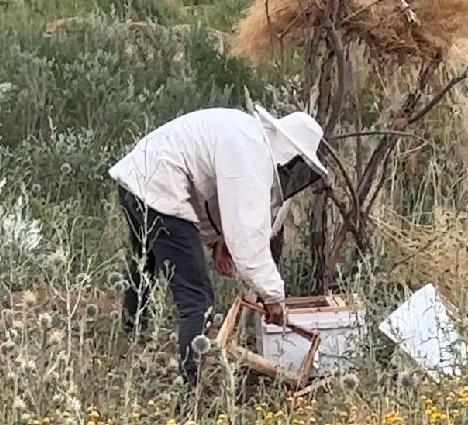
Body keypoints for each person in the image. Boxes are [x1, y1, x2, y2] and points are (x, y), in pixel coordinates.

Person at [108, 104, 328, 386]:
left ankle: (129, 344)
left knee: (145, 265)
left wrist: (216, 241)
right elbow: (249, 240)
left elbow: (212, 196)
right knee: (197, 299)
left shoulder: (243, 133)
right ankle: (191, 389)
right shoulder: (252, 152)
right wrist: (273, 296)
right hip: (161, 191)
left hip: (137, 182)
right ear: (292, 154)